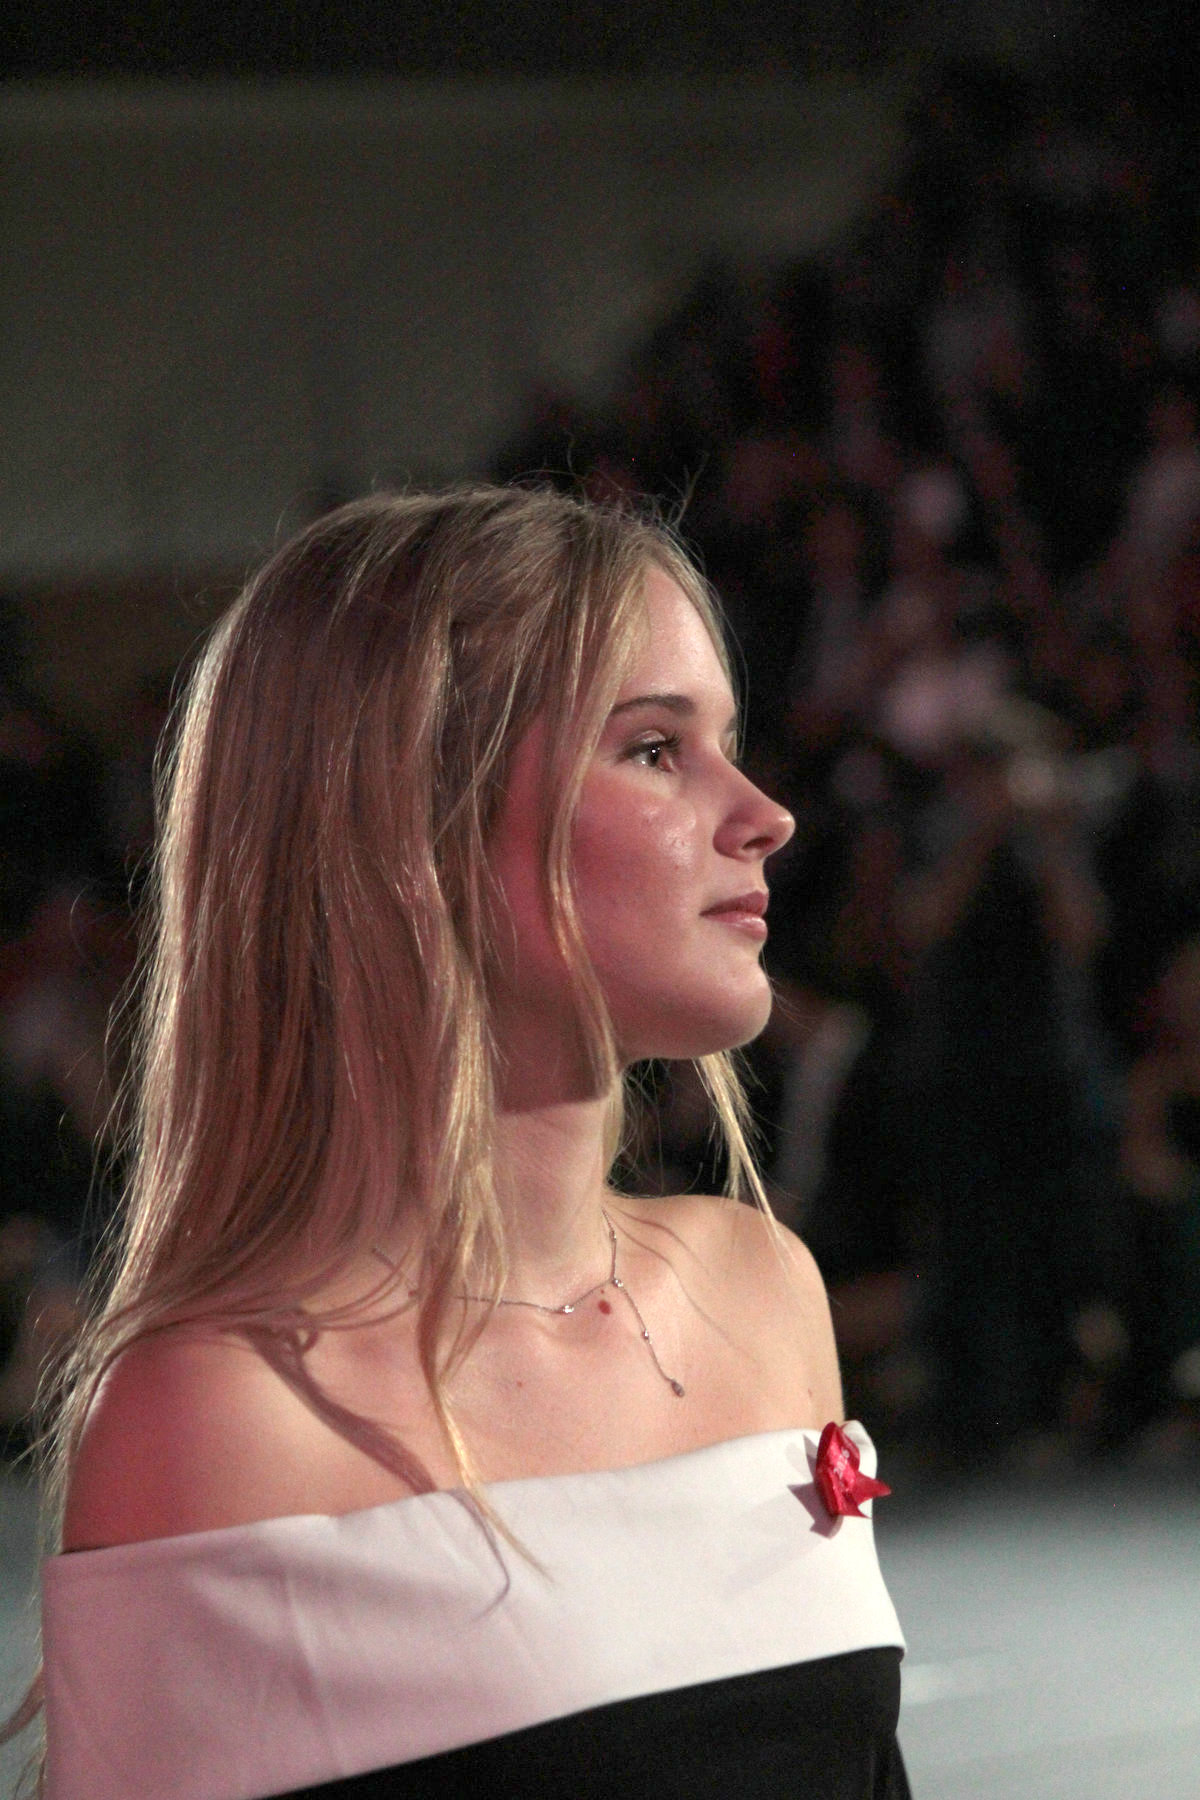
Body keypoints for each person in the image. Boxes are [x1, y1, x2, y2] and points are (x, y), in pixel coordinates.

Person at [30, 486, 908, 1798]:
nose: (763, 813)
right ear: (409, 828)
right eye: (655, 748)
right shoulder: (225, 1415)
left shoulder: (758, 1290)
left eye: (726, 741)